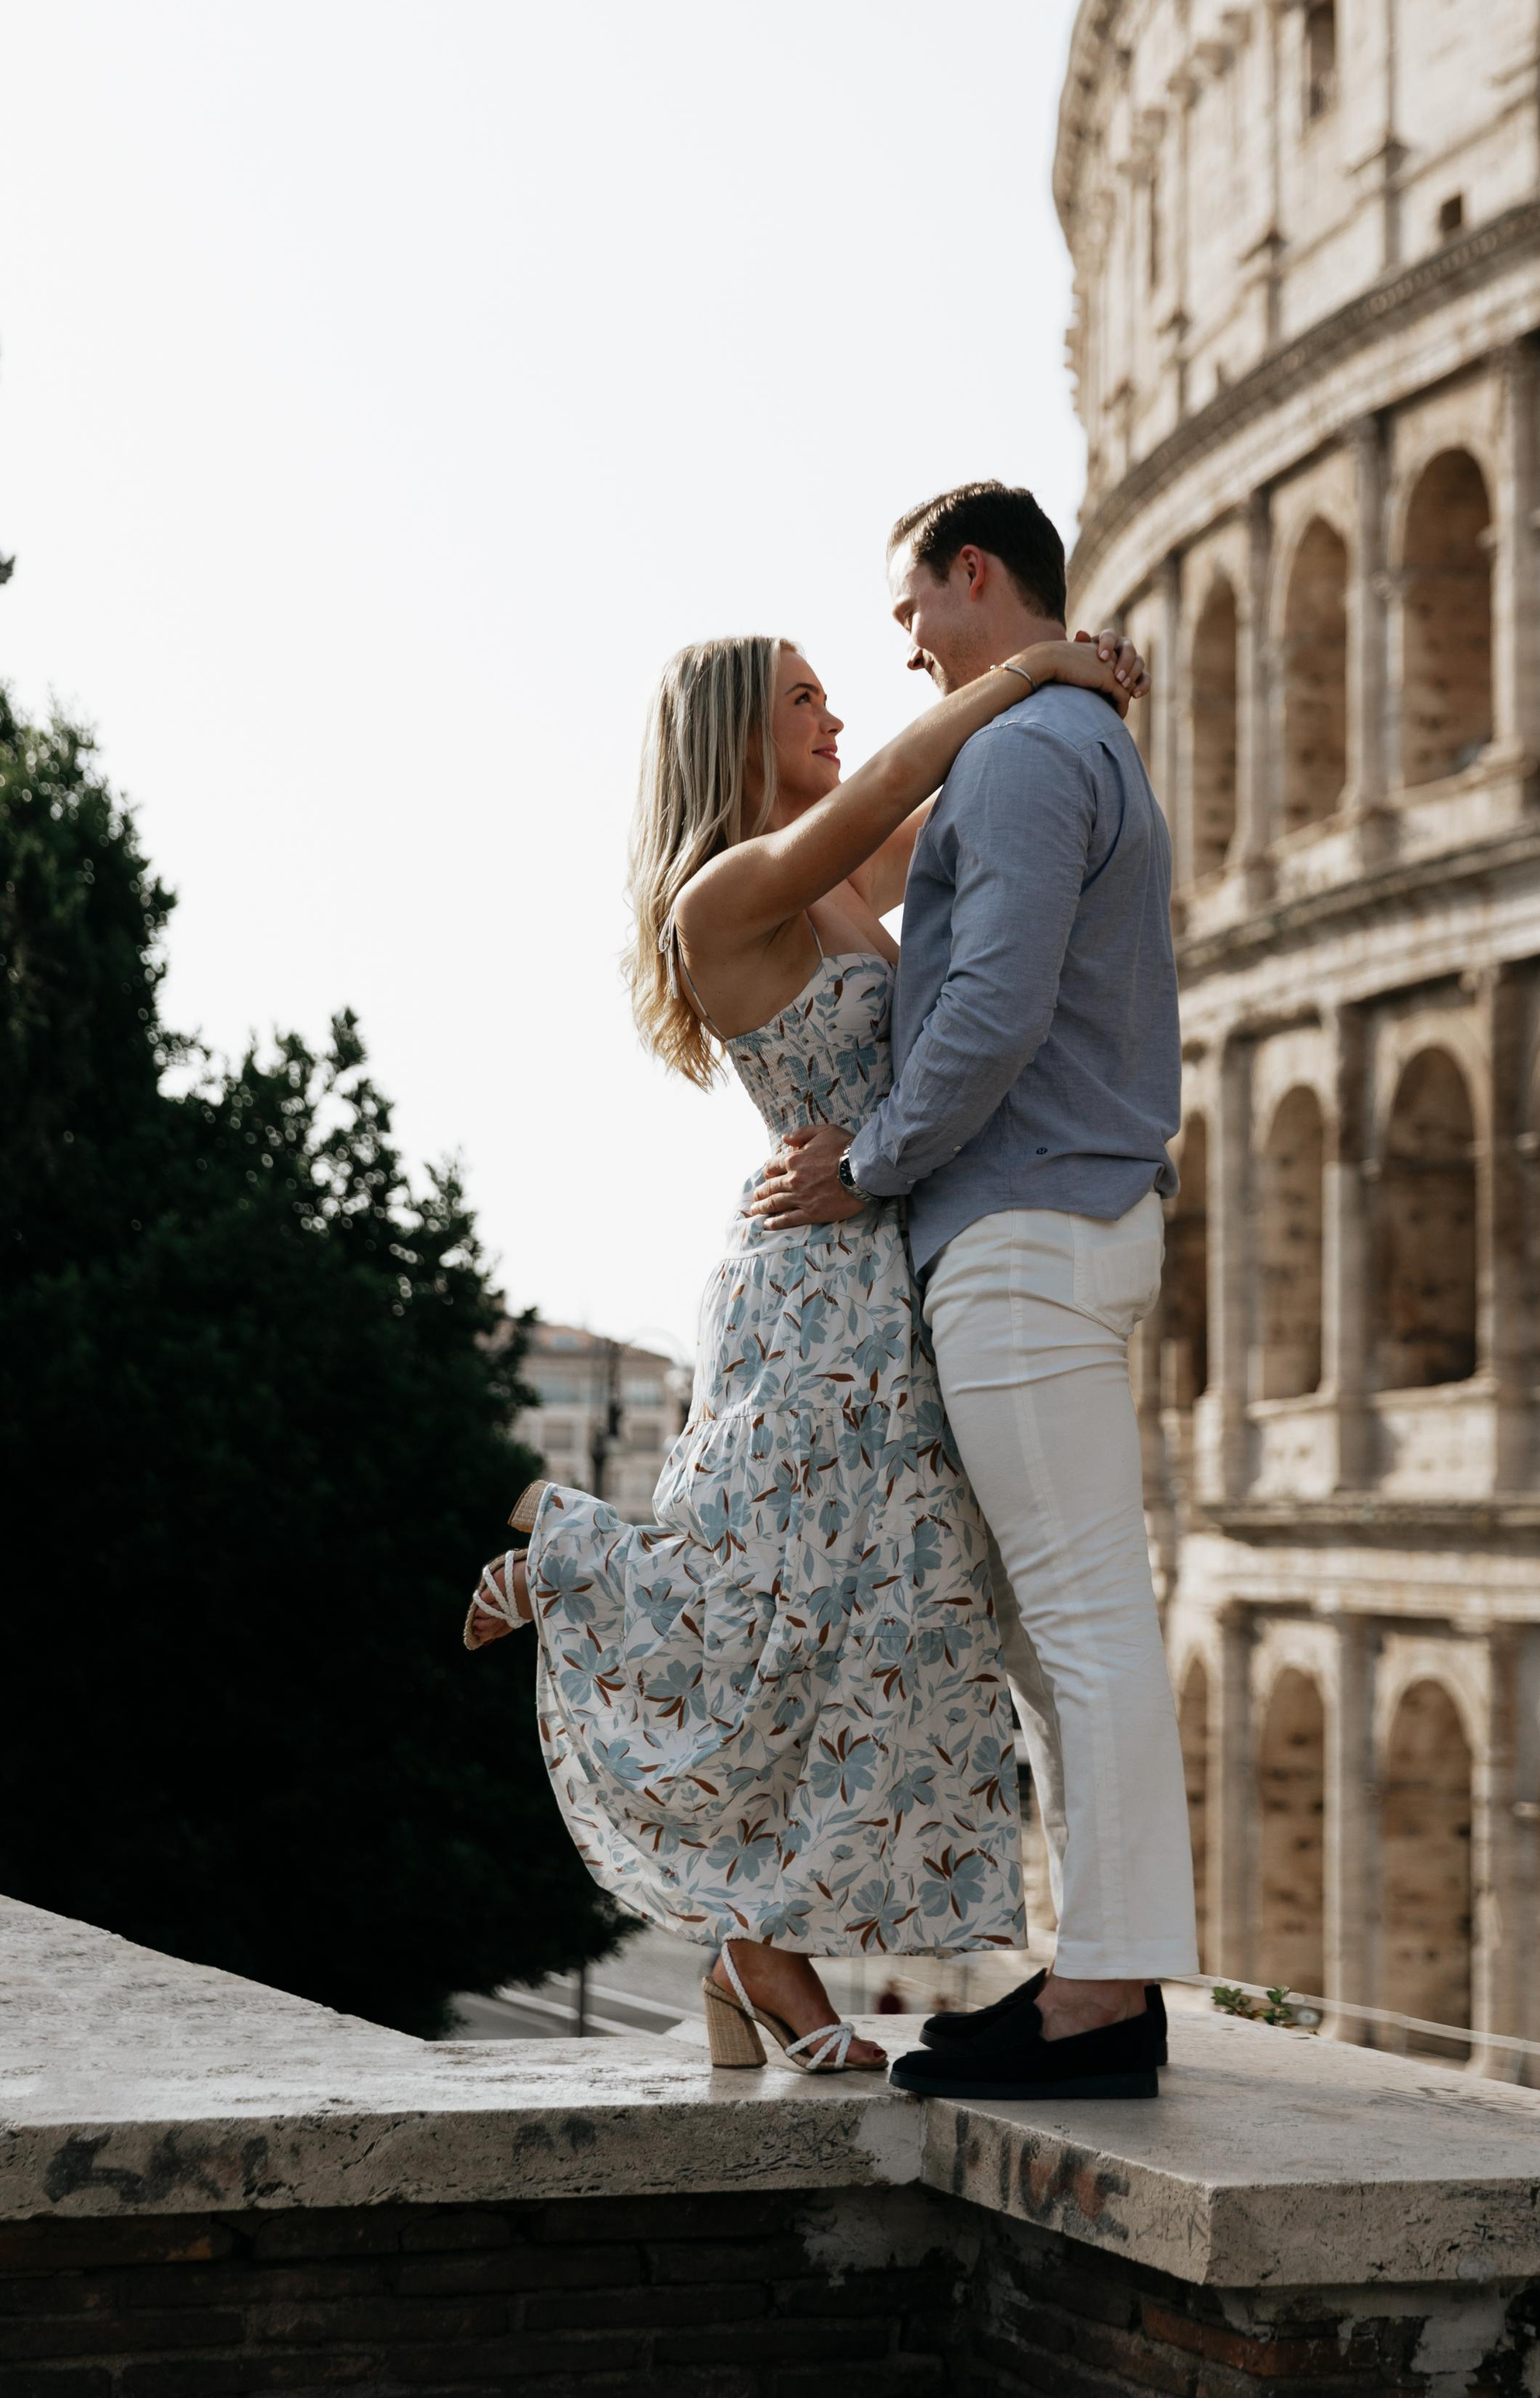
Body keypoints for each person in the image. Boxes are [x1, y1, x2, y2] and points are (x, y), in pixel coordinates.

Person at [461, 618, 1146, 2077]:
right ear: (732, 738)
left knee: (864, 1602)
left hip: (878, 1274)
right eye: (804, 700)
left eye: (838, 694)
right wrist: (1029, 669)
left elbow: (969, 814)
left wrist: (1074, 717)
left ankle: (752, 1959)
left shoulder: (833, 876)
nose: (836, 714)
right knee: (783, 1594)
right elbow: (911, 774)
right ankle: (575, 1558)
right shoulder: (725, 894)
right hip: (803, 1285)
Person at [751, 481, 1197, 2104]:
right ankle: (1102, 1974)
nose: (907, 648)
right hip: (1062, 1220)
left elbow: (991, 1003)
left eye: (911, 613)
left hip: (1019, 1227)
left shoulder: (1021, 756)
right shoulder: (1062, 742)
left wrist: (864, 1161)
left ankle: (1103, 1997)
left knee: (1078, 1622)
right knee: (1054, 1625)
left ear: (973, 577)